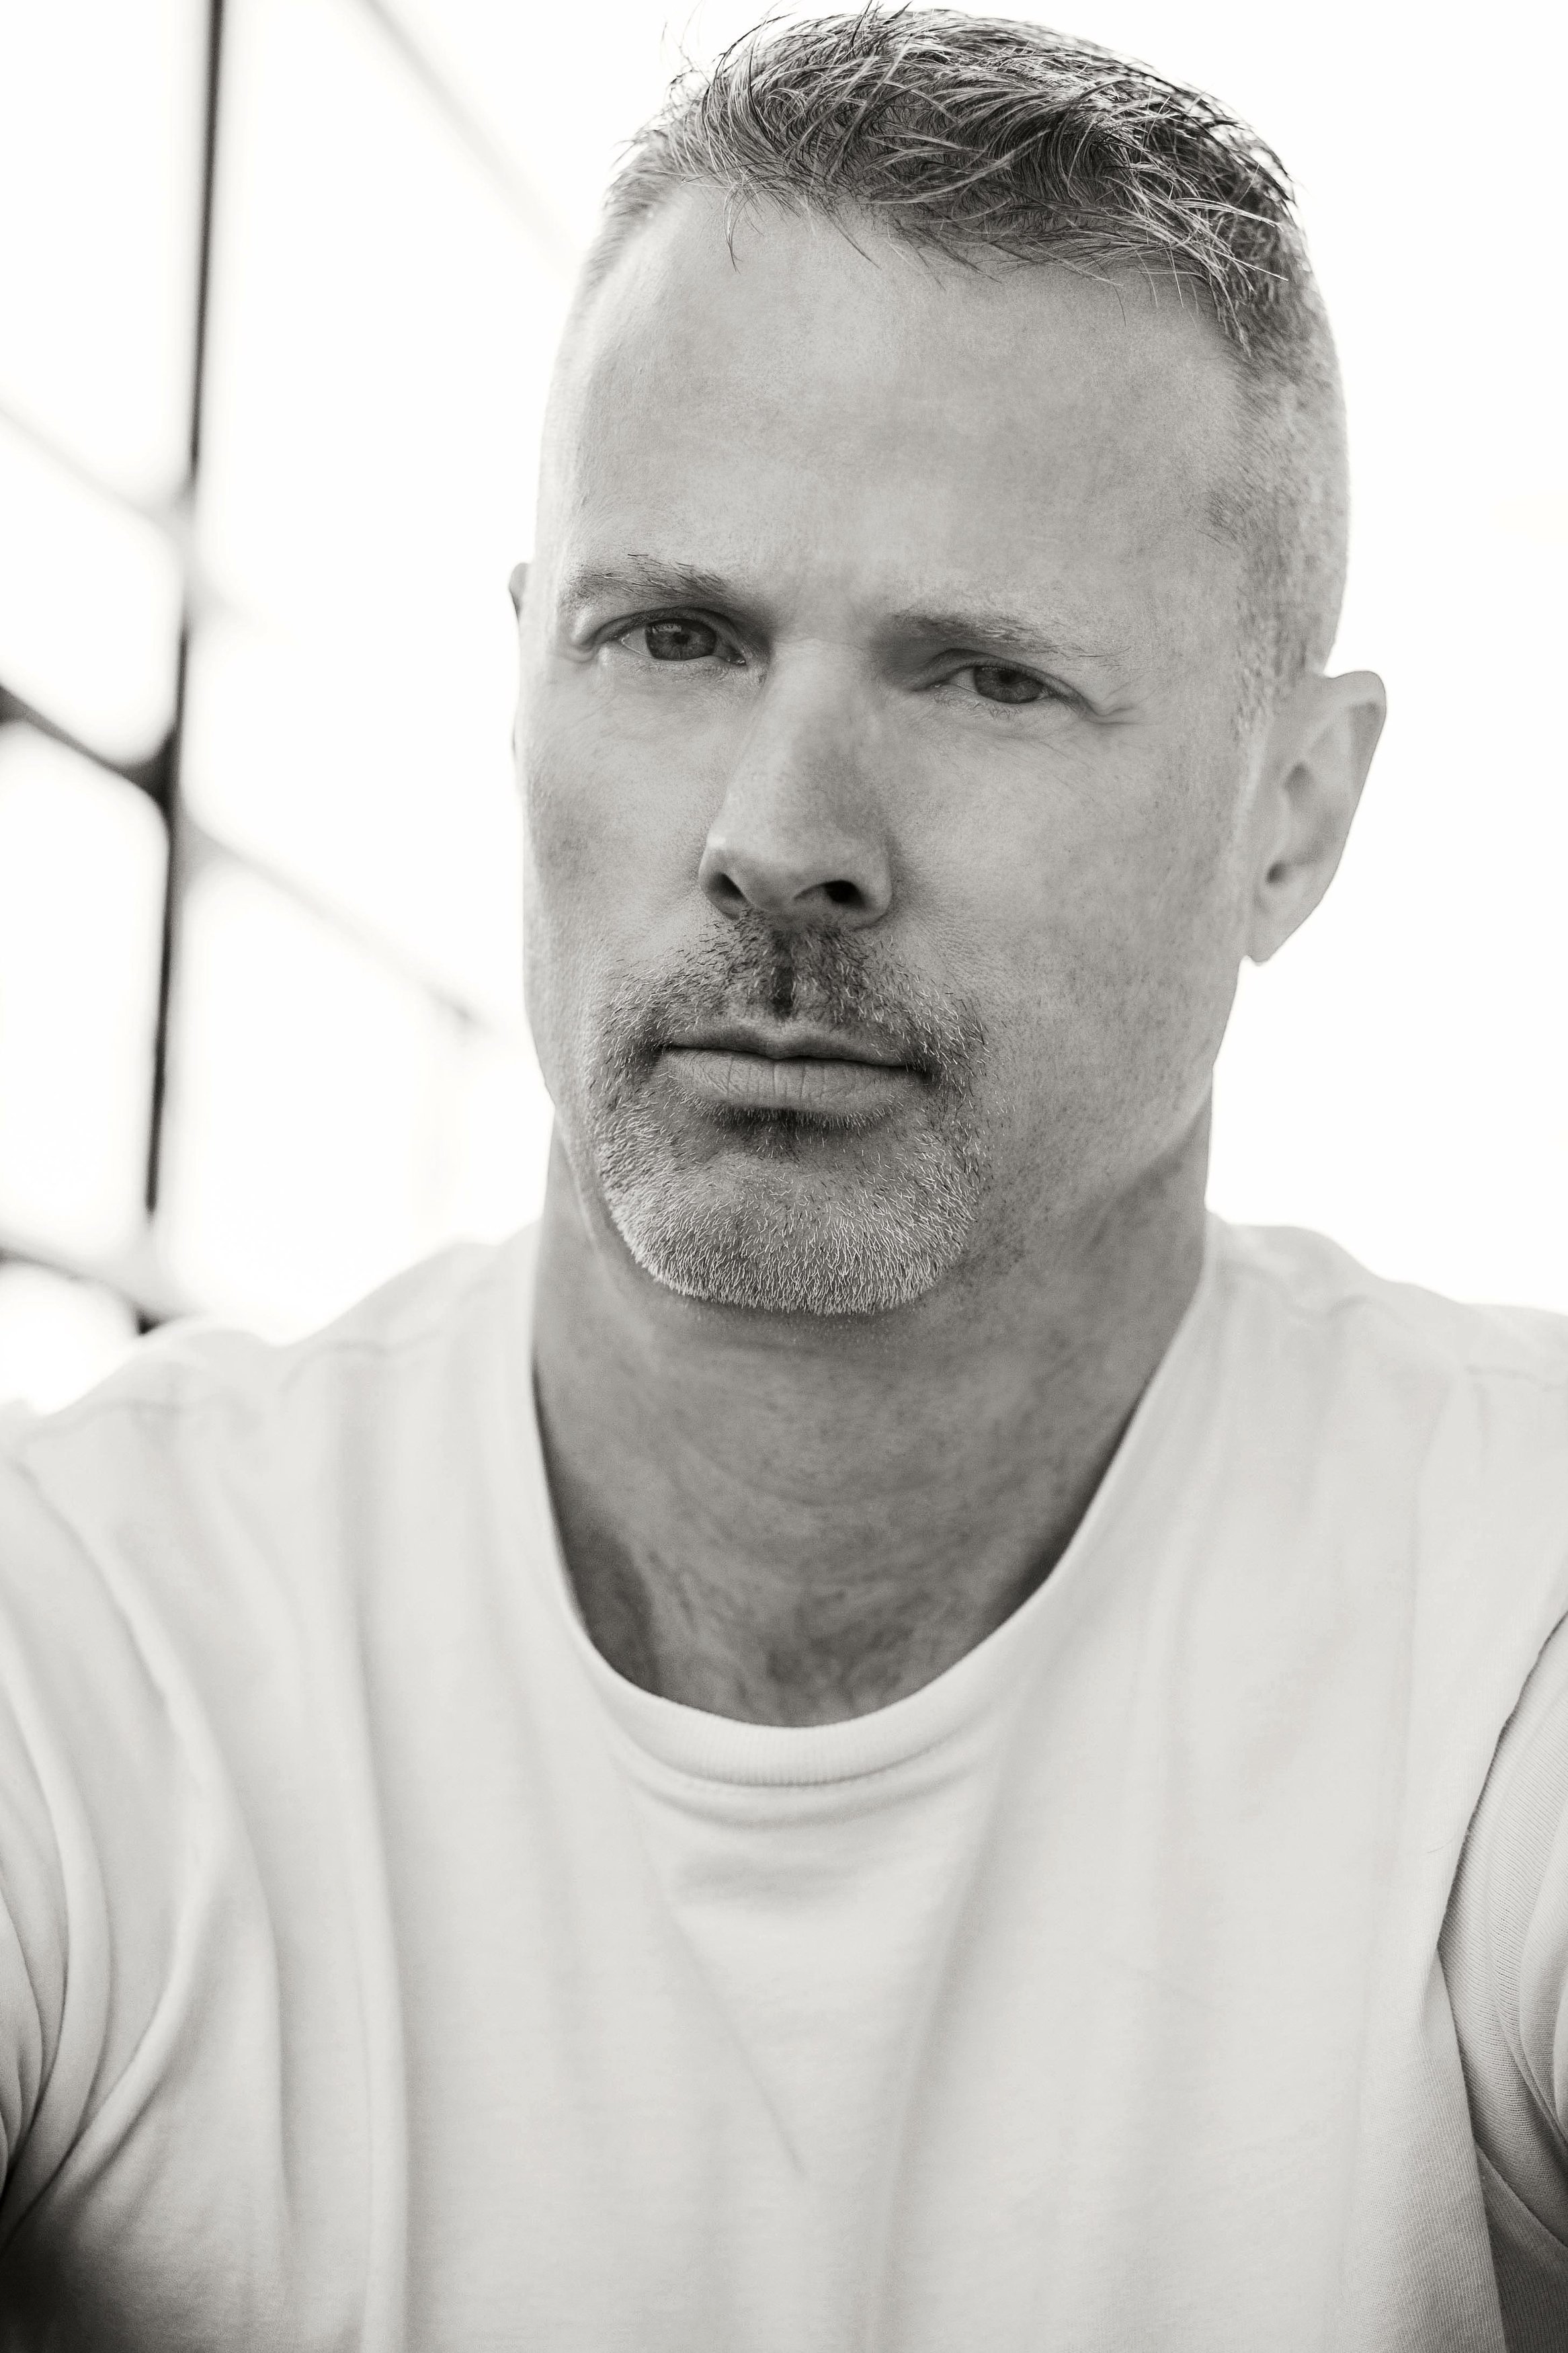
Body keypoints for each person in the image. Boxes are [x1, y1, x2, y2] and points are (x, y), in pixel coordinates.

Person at [1, 7, 1565, 2346]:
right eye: (673, 637)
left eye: (983, 677)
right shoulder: (98, 1633)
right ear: (522, 680)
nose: (779, 837)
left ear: (1295, 817)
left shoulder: (1515, 1617)